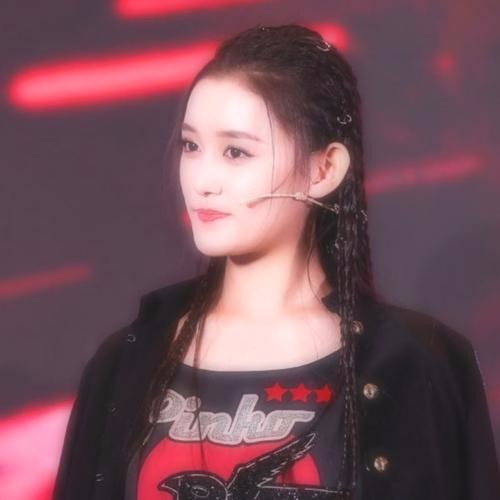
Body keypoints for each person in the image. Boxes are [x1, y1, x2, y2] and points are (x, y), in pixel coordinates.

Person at [53, 23, 500, 500]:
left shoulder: (415, 362)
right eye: (191, 145)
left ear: (324, 170)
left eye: (235, 152)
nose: (202, 180)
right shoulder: (125, 363)